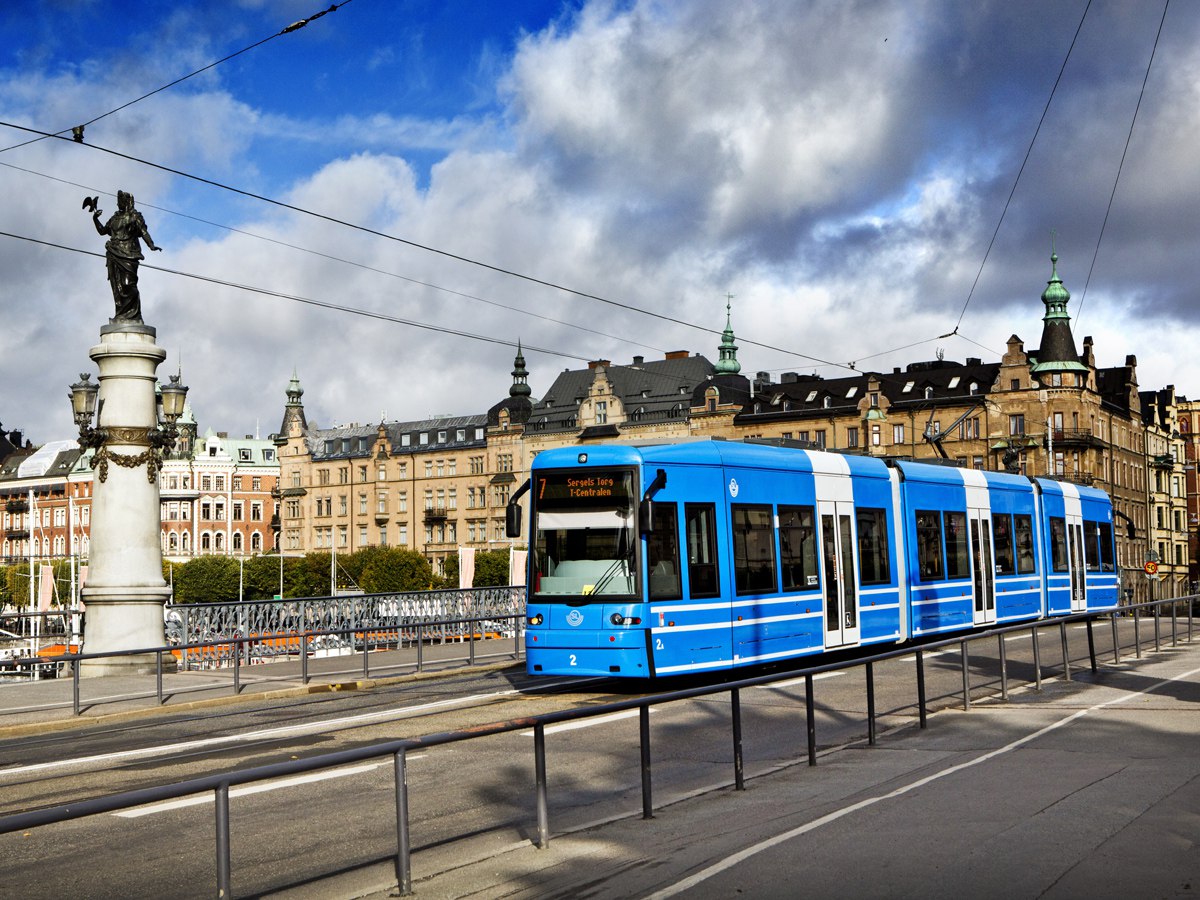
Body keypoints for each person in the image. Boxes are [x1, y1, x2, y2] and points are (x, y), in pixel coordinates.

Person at [92, 190, 161, 323]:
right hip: (114, 253)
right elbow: (102, 231)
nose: (118, 204)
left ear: (127, 202)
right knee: (117, 286)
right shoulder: (114, 218)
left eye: (121, 201)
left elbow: (144, 232)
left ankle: (135, 316)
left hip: (129, 254)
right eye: (118, 201)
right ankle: (121, 315)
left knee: (128, 284)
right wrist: (95, 219)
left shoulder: (135, 216)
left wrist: (151, 245)